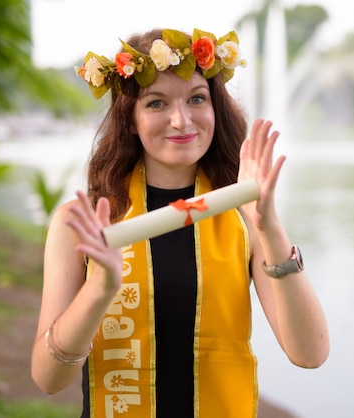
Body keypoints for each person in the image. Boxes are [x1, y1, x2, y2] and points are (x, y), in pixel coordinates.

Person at [30, 27, 329, 418]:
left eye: (197, 98)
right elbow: (47, 378)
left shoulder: (243, 214)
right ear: (131, 120)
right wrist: (100, 290)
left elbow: (310, 353)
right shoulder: (84, 224)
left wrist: (269, 229)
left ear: (214, 108)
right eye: (156, 103)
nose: (181, 120)